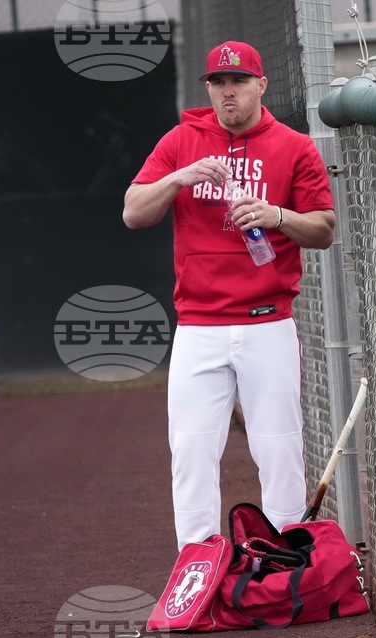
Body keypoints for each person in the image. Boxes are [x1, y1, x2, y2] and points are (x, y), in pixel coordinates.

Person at [122, 40, 335, 550]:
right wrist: (178, 177)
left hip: (268, 322)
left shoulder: (294, 146)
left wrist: (276, 216)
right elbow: (133, 212)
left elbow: (324, 228)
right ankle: (198, 562)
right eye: (217, 83)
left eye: (238, 81)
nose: (227, 92)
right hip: (199, 325)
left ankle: (289, 555)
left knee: (278, 449)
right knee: (191, 450)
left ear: (260, 85)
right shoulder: (180, 141)